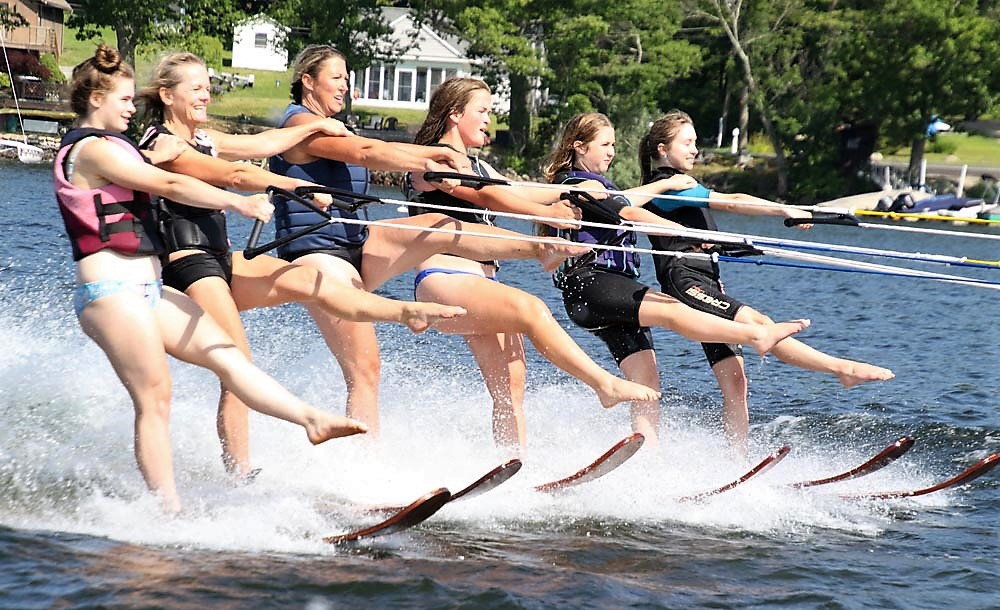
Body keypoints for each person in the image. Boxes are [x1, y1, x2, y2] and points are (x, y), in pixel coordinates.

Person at [55, 44, 367, 512]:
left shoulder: (123, 146)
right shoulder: (89, 151)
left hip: (150, 291)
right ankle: (169, 511)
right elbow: (171, 184)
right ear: (96, 101)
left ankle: (310, 420)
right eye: (122, 100)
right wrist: (239, 201)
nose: (129, 107)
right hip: (110, 293)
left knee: (231, 360)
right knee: (156, 396)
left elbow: (250, 149)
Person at [134, 52, 466, 476]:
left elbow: (264, 145)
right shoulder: (162, 143)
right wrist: (298, 187)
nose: (206, 95)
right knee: (236, 365)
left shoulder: (206, 137)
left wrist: (317, 124)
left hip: (222, 259)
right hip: (187, 263)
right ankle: (240, 477)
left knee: (312, 281)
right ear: (167, 95)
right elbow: (236, 177)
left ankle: (406, 313)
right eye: (196, 88)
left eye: (207, 87)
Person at [268, 45, 589, 436]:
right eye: (337, 78)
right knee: (365, 366)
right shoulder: (299, 126)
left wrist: (585, 195)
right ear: (308, 81)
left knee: (438, 225)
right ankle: (358, 478)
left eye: (348, 79)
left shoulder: (335, 126)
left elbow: (509, 189)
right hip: (317, 251)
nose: (346, 86)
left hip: (357, 246)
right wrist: (429, 159)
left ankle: (541, 250)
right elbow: (369, 151)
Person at [406, 77, 661, 450]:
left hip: (481, 285)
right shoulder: (431, 159)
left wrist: (571, 190)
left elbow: (517, 190)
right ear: (455, 114)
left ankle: (513, 464)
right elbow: (488, 196)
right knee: (531, 309)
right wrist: (553, 216)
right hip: (445, 277)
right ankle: (603, 385)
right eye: (483, 111)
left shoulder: (476, 163)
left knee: (510, 387)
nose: (488, 119)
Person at [544, 112, 812, 450]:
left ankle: (646, 459)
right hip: (594, 286)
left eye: (614, 144)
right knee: (672, 309)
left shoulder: (592, 185)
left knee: (647, 383)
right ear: (580, 147)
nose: (612, 152)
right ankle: (756, 335)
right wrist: (678, 226)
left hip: (604, 295)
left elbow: (556, 254)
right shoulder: (582, 183)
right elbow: (627, 211)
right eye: (605, 144)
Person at [635, 110, 894, 449]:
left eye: (696, 142)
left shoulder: (680, 184)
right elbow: (734, 202)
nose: (695, 150)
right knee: (760, 324)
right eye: (688, 143)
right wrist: (785, 209)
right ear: (662, 150)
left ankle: (736, 463)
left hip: (707, 282)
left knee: (736, 383)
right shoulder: (673, 184)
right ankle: (839, 368)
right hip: (686, 282)